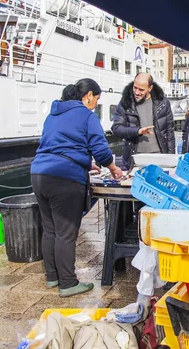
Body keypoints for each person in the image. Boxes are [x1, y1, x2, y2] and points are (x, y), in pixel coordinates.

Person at [31, 79, 123, 297]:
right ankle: (68, 283)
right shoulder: (86, 115)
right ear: (88, 95)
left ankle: (52, 277)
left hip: (39, 173)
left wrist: (84, 162)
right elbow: (100, 149)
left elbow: (58, 145)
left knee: (50, 229)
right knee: (66, 232)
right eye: (97, 99)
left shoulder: (52, 114)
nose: (96, 104)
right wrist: (112, 168)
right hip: (64, 178)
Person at [111, 73, 175, 170]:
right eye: (135, 87)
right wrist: (137, 131)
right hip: (135, 159)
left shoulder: (163, 103)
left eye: (141, 89)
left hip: (160, 157)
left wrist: (171, 159)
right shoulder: (125, 102)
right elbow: (116, 128)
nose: (136, 92)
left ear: (150, 88)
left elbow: (169, 132)